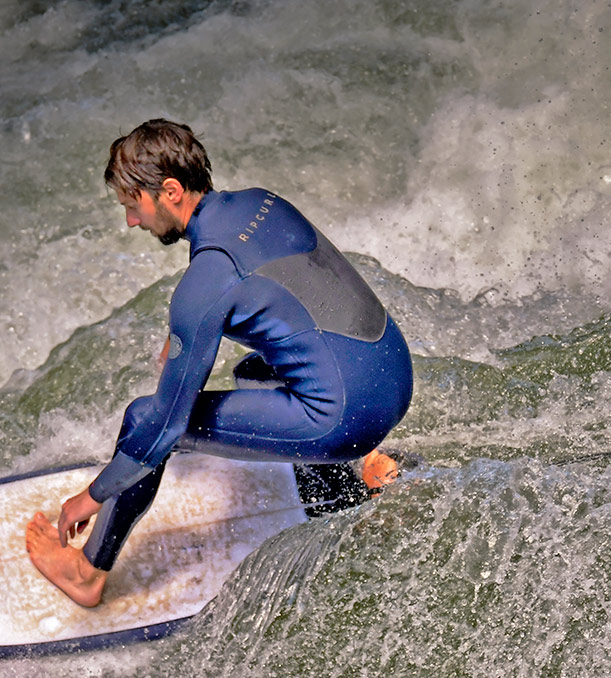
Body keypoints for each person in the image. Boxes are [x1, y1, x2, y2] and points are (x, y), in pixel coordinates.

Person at [25, 119, 412, 607]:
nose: (131, 222)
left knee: (143, 420)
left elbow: (165, 425)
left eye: (132, 205)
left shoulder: (206, 283)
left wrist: (93, 496)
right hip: (392, 375)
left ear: (169, 191)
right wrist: (188, 329)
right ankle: (368, 466)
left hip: (344, 420)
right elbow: (272, 286)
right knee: (253, 372)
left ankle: (87, 572)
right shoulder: (260, 202)